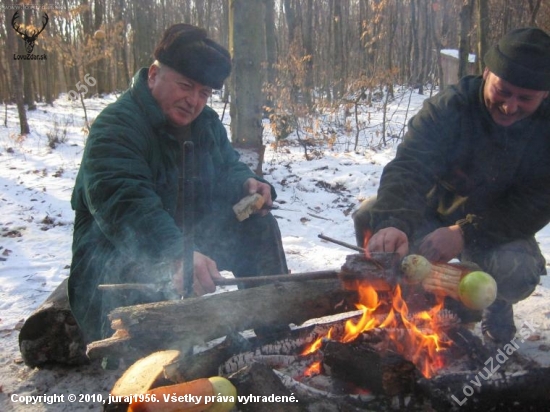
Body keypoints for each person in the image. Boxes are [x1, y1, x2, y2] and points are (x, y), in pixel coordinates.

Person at [68, 24, 288, 342]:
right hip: (119, 262)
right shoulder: (116, 126)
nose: (193, 101)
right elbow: (126, 204)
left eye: (204, 93)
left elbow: (227, 167)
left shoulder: (206, 124)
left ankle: (277, 331)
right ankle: (137, 345)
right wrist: (174, 253)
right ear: (154, 75)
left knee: (258, 225)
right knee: (165, 361)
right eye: (186, 86)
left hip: (186, 242)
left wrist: (247, 184)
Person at [353, 27, 550, 345]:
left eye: (525, 98)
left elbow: (534, 205)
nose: (510, 106)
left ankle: (496, 306)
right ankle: (406, 306)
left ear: (545, 94)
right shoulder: (450, 108)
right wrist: (393, 223)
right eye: (503, 91)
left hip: (497, 224)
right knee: (369, 216)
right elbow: (410, 167)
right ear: (486, 73)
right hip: (434, 209)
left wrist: (465, 233)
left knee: (517, 270)